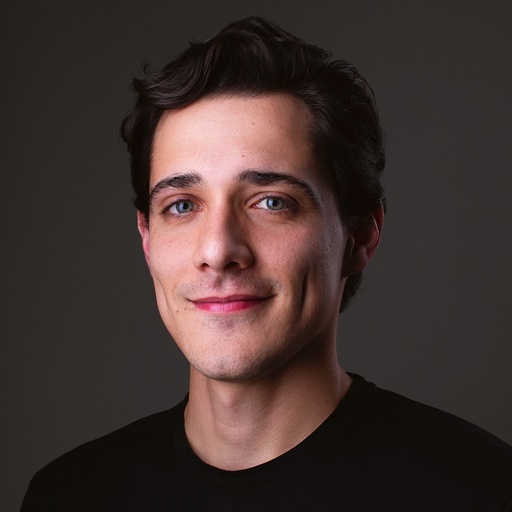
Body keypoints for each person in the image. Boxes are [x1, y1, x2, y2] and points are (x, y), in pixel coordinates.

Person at [21, 16, 512, 511]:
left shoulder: (481, 491)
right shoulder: (68, 496)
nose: (218, 250)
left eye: (271, 202)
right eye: (182, 206)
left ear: (360, 234)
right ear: (147, 240)